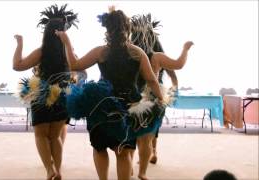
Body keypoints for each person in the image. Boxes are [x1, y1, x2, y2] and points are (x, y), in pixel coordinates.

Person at [56, 6, 166, 180]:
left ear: (107, 29)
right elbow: (152, 80)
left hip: (101, 104)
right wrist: (161, 99)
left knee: (99, 148)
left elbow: (75, 65)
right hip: (129, 106)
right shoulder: (137, 52)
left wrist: (67, 42)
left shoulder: (101, 51)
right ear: (128, 29)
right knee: (123, 151)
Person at [12, 4, 78, 180]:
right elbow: (77, 70)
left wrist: (20, 44)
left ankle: (50, 170)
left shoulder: (41, 52)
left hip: (41, 95)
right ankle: (59, 170)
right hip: (62, 95)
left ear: (46, 33)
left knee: (41, 135)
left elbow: (17, 66)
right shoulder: (69, 52)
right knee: (55, 136)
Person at [130, 13, 194, 179]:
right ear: (151, 38)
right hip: (152, 100)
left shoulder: (129, 54)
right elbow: (178, 64)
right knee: (147, 136)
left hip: (131, 97)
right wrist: (185, 49)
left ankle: (128, 166)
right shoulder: (156, 57)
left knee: (130, 134)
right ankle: (142, 172)